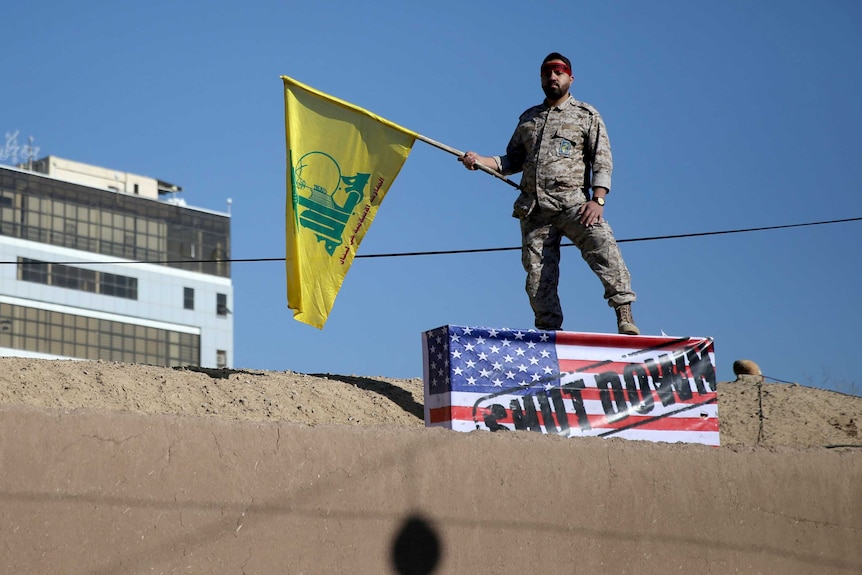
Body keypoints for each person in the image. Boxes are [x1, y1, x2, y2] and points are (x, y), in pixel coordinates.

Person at [459, 52, 639, 335]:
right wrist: (480, 160)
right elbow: (511, 161)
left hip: (575, 204)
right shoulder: (529, 119)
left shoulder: (586, 115)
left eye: (559, 72)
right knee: (538, 278)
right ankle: (550, 333)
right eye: (547, 73)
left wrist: (598, 199)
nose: (552, 77)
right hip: (535, 210)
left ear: (570, 78)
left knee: (604, 250)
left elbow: (602, 159)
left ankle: (624, 315)